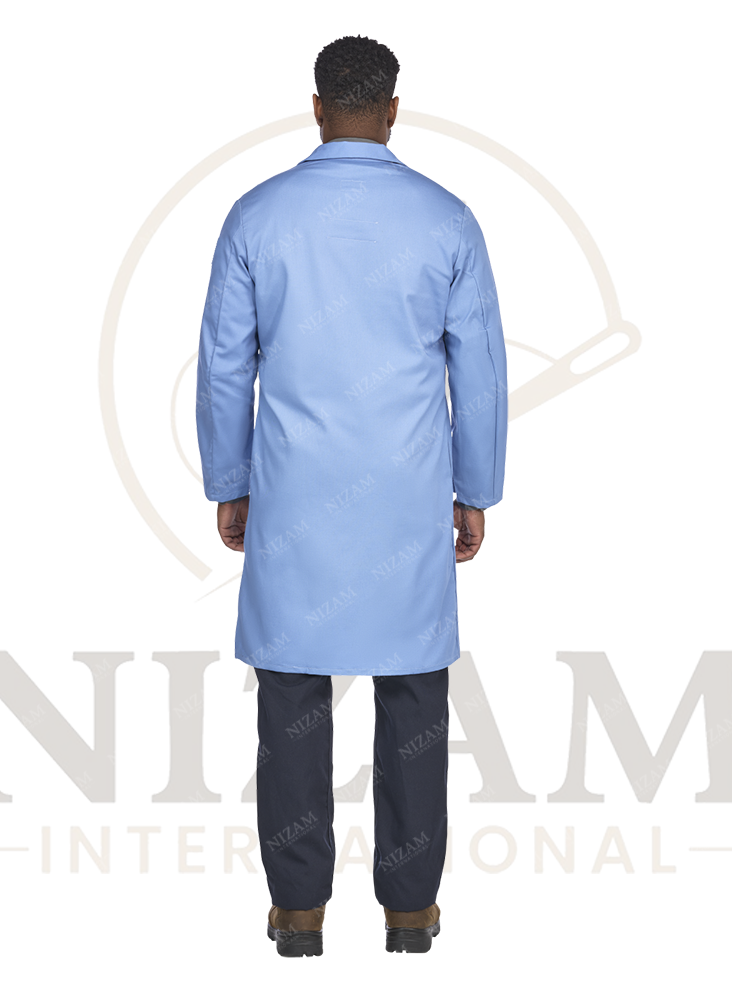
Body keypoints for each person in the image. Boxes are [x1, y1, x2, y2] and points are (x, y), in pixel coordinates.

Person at [195, 34, 508, 956]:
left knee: (292, 700)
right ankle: (410, 914)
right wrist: (476, 487)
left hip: (294, 499)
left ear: (317, 107)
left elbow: (224, 366)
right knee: (412, 701)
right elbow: (479, 373)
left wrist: (229, 481)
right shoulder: (447, 220)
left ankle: (298, 915)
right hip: (408, 499)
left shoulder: (257, 217)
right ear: (394, 110)